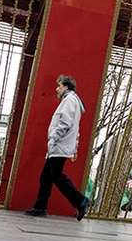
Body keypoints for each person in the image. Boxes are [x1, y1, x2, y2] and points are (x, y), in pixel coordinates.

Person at [24, 74, 90, 221]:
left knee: (56, 176)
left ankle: (80, 200)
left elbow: (65, 123)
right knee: (46, 176)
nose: (57, 89)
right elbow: (75, 128)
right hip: (62, 145)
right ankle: (40, 207)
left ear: (66, 86)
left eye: (59, 85)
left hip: (59, 145)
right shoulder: (73, 101)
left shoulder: (69, 100)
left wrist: (53, 138)